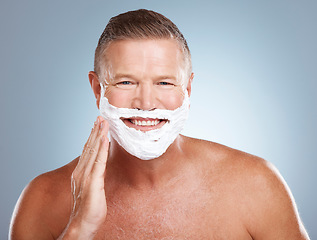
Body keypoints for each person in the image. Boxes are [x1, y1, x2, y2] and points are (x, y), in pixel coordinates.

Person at [9, 9, 310, 240]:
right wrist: (79, 228)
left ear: (188, 90)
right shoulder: (42, 201)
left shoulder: (255, 185)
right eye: (126, 81)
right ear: (98, 89)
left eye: (164, 82)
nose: (146, 102)